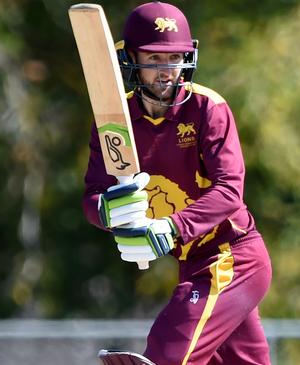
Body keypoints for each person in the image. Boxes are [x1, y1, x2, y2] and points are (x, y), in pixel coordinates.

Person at [82, 2, 273, 364]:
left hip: (232, 256)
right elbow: (92, 196)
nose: (165, 71)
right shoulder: (115, 120)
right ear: (131, 60)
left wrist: (170, 228)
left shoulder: (207, 108)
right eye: (153, 59)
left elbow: (230, 191)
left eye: (172, 59)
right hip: (192, 261)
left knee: (169, 351)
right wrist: (108, 211)